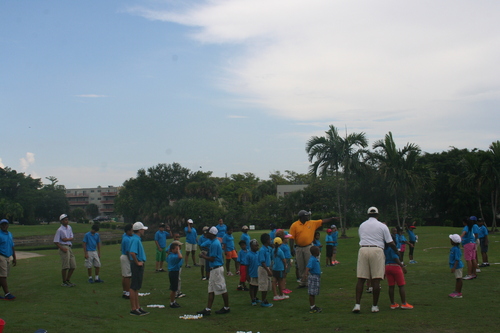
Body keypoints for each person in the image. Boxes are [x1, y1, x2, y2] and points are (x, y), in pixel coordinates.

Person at [353, 207, 399, 314]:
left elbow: (362, 237)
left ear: (368, 215)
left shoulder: (362, 225)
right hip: (377, 250)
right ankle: (374, 306)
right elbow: (390, 242)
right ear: (377, 215)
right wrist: (396, 251)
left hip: (363, 249)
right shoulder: (382, 226)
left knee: (361, 279)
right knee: (376, 279)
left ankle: (357, 305)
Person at [289, 210, 337, 288]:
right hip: (299, 248)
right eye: (306, 216)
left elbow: (322, 221)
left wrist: (332, 218)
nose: (308, 217)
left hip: (308, 247)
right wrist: (291, 249)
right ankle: (302, 282)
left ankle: (308, 282)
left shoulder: (311, 223)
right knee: (301, 265)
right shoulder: (294, 225)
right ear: (301, 217)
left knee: (308, 264)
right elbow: (291, 238)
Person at [197, 226, 230, 315]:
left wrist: (203, 256)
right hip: (213, 269)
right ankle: (208, 309)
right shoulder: (213, 241)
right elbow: (204, 245)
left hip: (216, 269)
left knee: (222, 288)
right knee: (211, 289)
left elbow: (212, 258)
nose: (207, 234)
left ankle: (226, 307)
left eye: (208, 233)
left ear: (212, 234)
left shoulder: (215, 243)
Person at [384, 234, 413, 310]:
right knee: (401, 285)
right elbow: (395, 258)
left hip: (387, 266)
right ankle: (404, 303)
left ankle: (393, 304)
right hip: (395, 267)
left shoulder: (385, 248)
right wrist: (402, 266)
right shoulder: (393, 248)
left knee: (391, 286)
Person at [129, 221, 149, 316]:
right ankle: (134, 308)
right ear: (139, 230)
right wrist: (137, 262)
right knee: (134, 287)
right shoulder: (135, 240)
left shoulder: (136, 239)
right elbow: (132, 252)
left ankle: (138, 307)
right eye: (142, 229)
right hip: (137, 264)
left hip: (138, 264)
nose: (143, 231)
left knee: (137, 287)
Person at [53, 214, 76, 287]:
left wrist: (66, 239)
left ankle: (68, 280)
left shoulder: (69, 227)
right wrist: (62, 248)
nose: (67, 221)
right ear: (62, 221)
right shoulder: (60, 230)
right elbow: (56, 241)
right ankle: (64, 282)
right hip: (63, 247)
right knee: (65, 266)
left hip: (69, 246)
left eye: (67, 219)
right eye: (65, 220)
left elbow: (72, 237)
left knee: (73, 266)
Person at [0, 219, 16, 300]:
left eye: (5, 224)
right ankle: (7, 293)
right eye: (2, 224)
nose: (4, 226)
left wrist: (14, 257)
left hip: (8, 256)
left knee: (3, 276)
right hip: (1, 256)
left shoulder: (10, 234)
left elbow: (12, 246)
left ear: (8, 225)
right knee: (3, 275)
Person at [303, 246, 322, 313]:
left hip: (316, 276)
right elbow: (308, 267)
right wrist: (305, 274)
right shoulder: (312, 259)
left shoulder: (314, 258)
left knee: (314, 292)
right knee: (312, 292)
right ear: (316, 252)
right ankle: (312, 307)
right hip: (313, 277)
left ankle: (313, 305)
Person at [258, 233, 273, 307]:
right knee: (264, 284)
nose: (271, 240)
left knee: (267, 285)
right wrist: (268, 270)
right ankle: (263, 301)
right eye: (269, 239)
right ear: (266, 240)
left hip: (267, 268)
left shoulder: (268, 248)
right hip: (263, 269)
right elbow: (262, 261)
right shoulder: (262, 250)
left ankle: (265, 299)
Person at [276, 230, 293, 294]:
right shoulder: (282, 246)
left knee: (285, 274)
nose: (288, 239)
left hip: (287, 260)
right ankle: (283, 288)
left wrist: (290, 261)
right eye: (286, 238)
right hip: (284, 261)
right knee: (283, 275)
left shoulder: (286, 245)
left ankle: (284, 287)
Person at [167, 242, 183, 308]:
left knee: (174, 288)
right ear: (172, 250)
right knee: (173, 289)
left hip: (173, 272)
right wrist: (179, 251)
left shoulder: (170, 255)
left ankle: (173, 301)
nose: (177, 250)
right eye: (176, 249)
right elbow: (180, 257)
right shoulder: (173, 257)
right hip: (173, 272)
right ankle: (172, 302)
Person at [245, 239, 261, 305]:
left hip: (257, 273)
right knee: (252, 286)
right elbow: (246, 266)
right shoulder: (248, 255)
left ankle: (255, 297)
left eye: (257, 246)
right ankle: (252, 299)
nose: (257, 247)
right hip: (251, 273)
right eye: (255, 246)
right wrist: (247, 275)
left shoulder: (258, 253)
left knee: (256, 286)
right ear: (251, 246)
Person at [272, 237, 288, 301]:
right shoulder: (280, 251)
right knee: (280, 281)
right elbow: (284, 260)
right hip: (280, 268)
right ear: (280, 243)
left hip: (274, 267)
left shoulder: (273, 250)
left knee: (274, 281)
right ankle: (281, 294)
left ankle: (275, 295)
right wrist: (285, 266)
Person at [120, 223, 133, 299]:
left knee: (125, 275)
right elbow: (128, 251)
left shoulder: (124, 236)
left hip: (123, 256)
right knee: (128, 276)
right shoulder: (127, 239)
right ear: (128, 231)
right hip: (126, 256)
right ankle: (127, 293)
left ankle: (125, 291)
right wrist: (131, 260)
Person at [449, 234, 464, 298]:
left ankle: (458, 292)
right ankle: (456, 291)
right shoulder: (454, 248)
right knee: (457, 279)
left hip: (457, 266)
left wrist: (454, 267)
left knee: (459, 279)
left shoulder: (456, 249)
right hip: (456, 266)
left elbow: (457, 259)